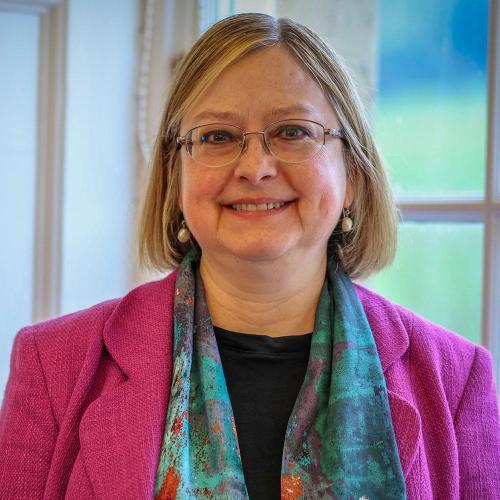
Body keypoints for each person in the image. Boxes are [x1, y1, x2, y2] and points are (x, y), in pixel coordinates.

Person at [1, 12, 499, 500]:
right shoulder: (54, 366)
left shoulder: (458, 379)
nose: (256, 167)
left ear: (352, 176)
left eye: (293, 131)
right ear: (177, 179)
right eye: (217, 136)